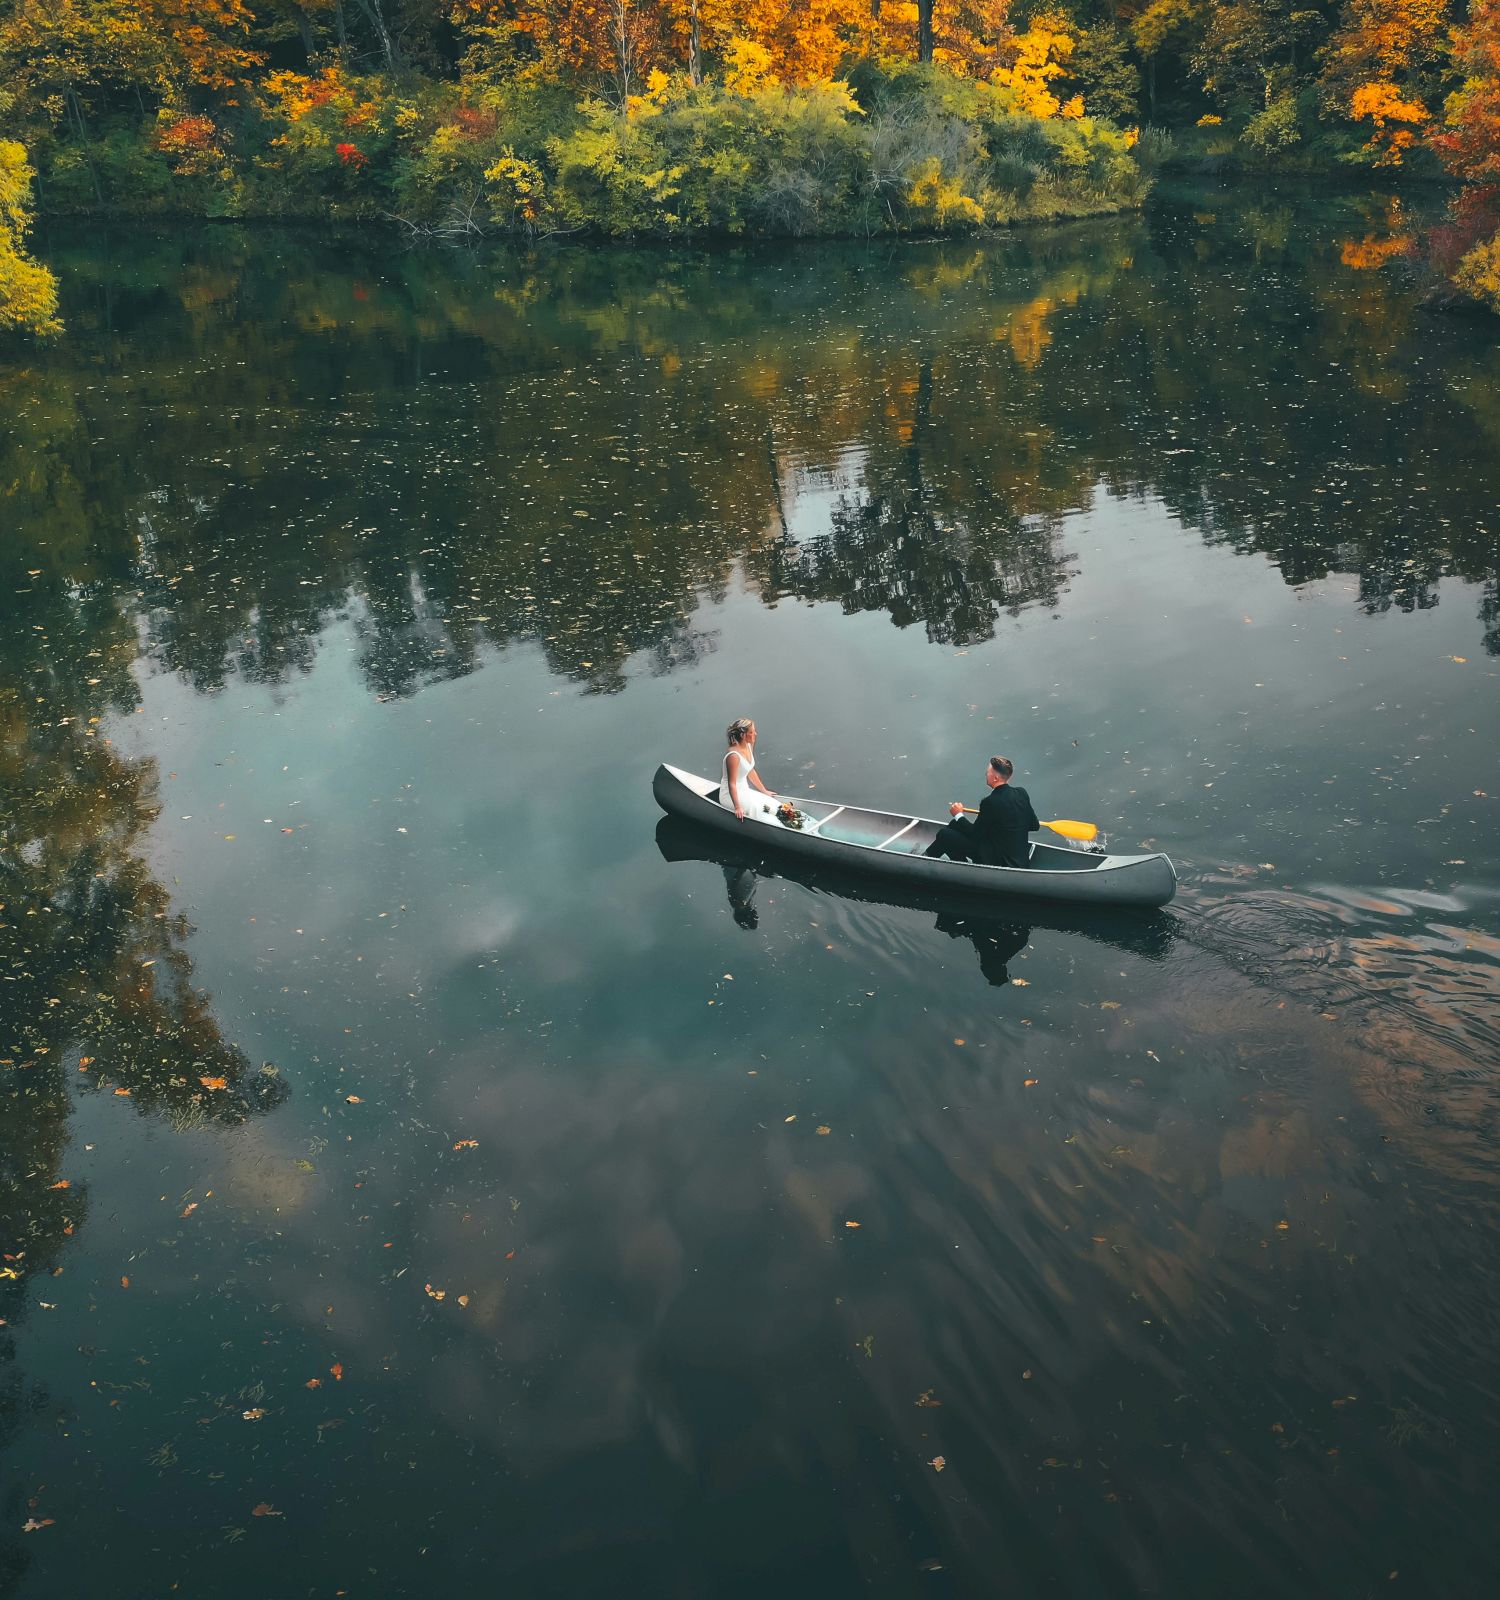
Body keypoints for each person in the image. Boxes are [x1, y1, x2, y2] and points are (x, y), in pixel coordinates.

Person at [924, 755, 1040, 868]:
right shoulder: (1021, 793)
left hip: (998, 861)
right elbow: (1034, 826)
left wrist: (958, 814)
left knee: (944, 835)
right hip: (1018, 858)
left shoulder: (990, 802)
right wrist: (1006, 825)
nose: (986, 774)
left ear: (995, 778)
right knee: (955, 824)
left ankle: (924, 860)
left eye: (988, 772)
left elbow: (975, 835)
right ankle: (958, 863)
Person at [719, 717, 778, 822]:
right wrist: (737, 807)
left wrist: (764, 791)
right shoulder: (733, 756)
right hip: (730, 795)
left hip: (744, 789)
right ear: (743, 735)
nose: (755, 734)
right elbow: (731, 784)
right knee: (757, 810)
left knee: (773, 804)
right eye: (752, 732)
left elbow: (750, 771)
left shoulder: (749, 745)